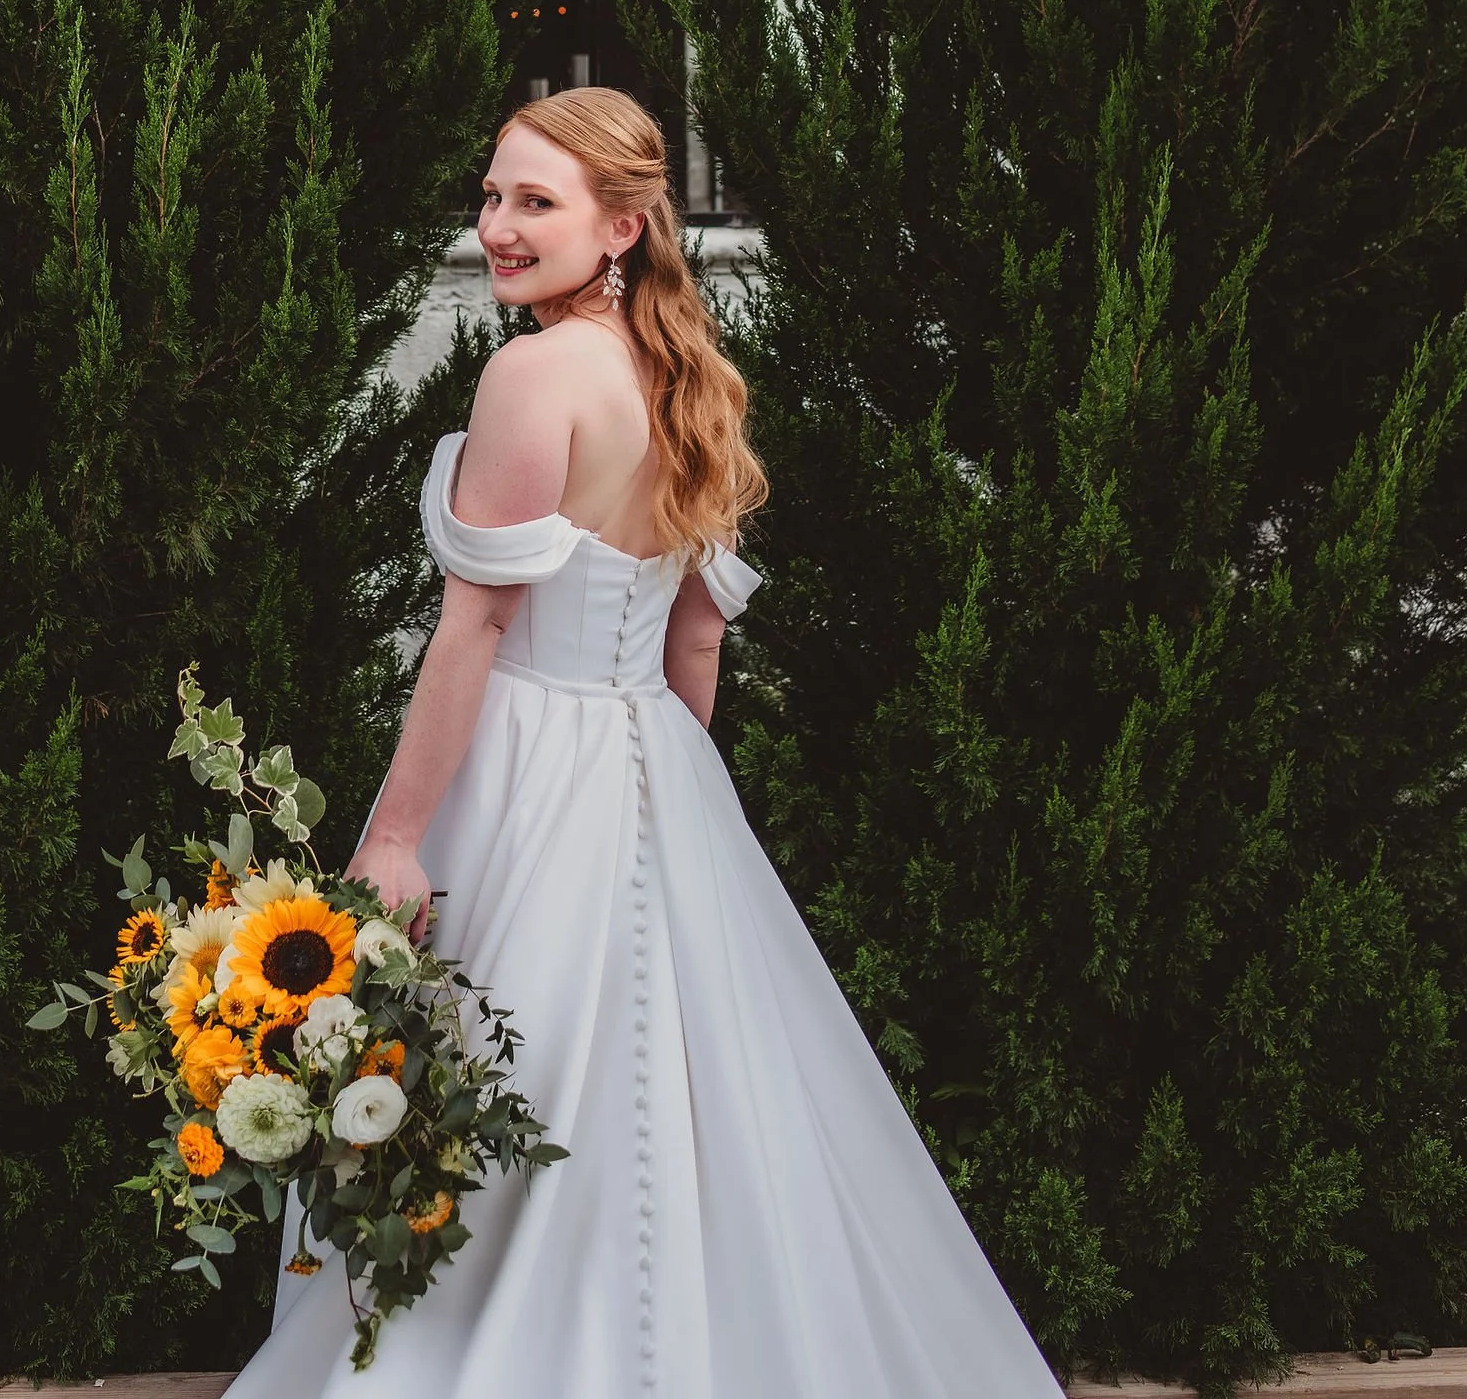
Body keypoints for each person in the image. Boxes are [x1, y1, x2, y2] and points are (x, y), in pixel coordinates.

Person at [223, 86, 1059, 1399]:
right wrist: (677, 819)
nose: (498, 227)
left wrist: (391, 836)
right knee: (675, 1109)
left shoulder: (533, 373)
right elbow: (694, 650)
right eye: (492, 196)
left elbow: (474, 635)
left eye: (534, 202)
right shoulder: (683, 377)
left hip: (527, 766)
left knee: (503, 1091)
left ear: (620, 227)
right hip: (659, 768)